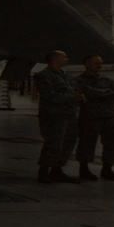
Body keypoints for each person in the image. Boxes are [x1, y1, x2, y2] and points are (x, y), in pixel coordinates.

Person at [33, 50, 83, 183]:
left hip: (69, 115)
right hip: (53, 116)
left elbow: (74, 89)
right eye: (64, 57)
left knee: (68, 143)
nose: (67, 59)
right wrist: (71, 97)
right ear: (55, 59)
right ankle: (43, 172)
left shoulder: (65, 75)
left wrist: (78, 96)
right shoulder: (43, 75)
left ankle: (57, 170)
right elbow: (48, 95)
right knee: (54, 143)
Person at [75, 54, 114, 181]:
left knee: (113, 141)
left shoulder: (108, 80)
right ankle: (84, 168)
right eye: (96, 63)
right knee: (87, 142)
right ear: (86, 64)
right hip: (90, 116)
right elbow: (86, 91)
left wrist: (98, 93)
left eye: (100, 63)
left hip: (109, 116)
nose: (99, 65)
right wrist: (106, 93)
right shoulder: (79, 80)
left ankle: (107, 169)